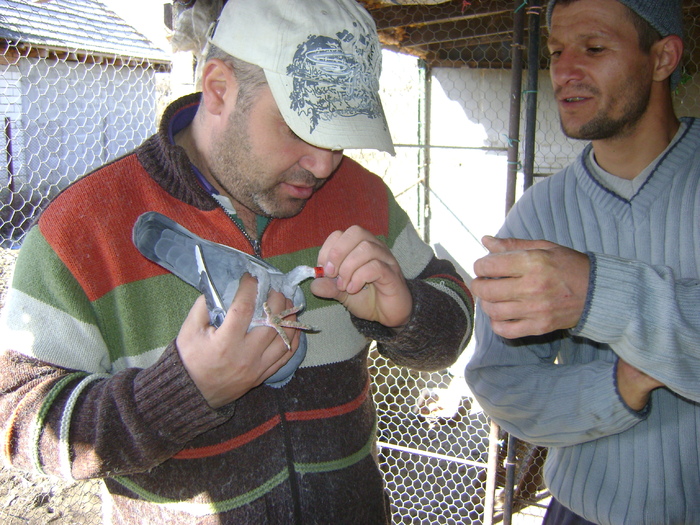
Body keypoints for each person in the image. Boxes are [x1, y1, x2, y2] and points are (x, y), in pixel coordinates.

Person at [0, 0, 474, 523]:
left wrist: (406, 315)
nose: (323, 164)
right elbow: (18, 422)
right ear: (219, 88)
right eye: (299, 128)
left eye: (338, 136)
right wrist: (180, 394)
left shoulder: (361, 197)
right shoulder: (85, 226)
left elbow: (451, 325)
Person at [465, 0, 700, 524]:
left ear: (663, 58)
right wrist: (621, 383)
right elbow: (501, 384)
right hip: (581, 512)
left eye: (594, 48)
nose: (565, 72)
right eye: (554, 52)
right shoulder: (538, 217)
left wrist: (596, 294)